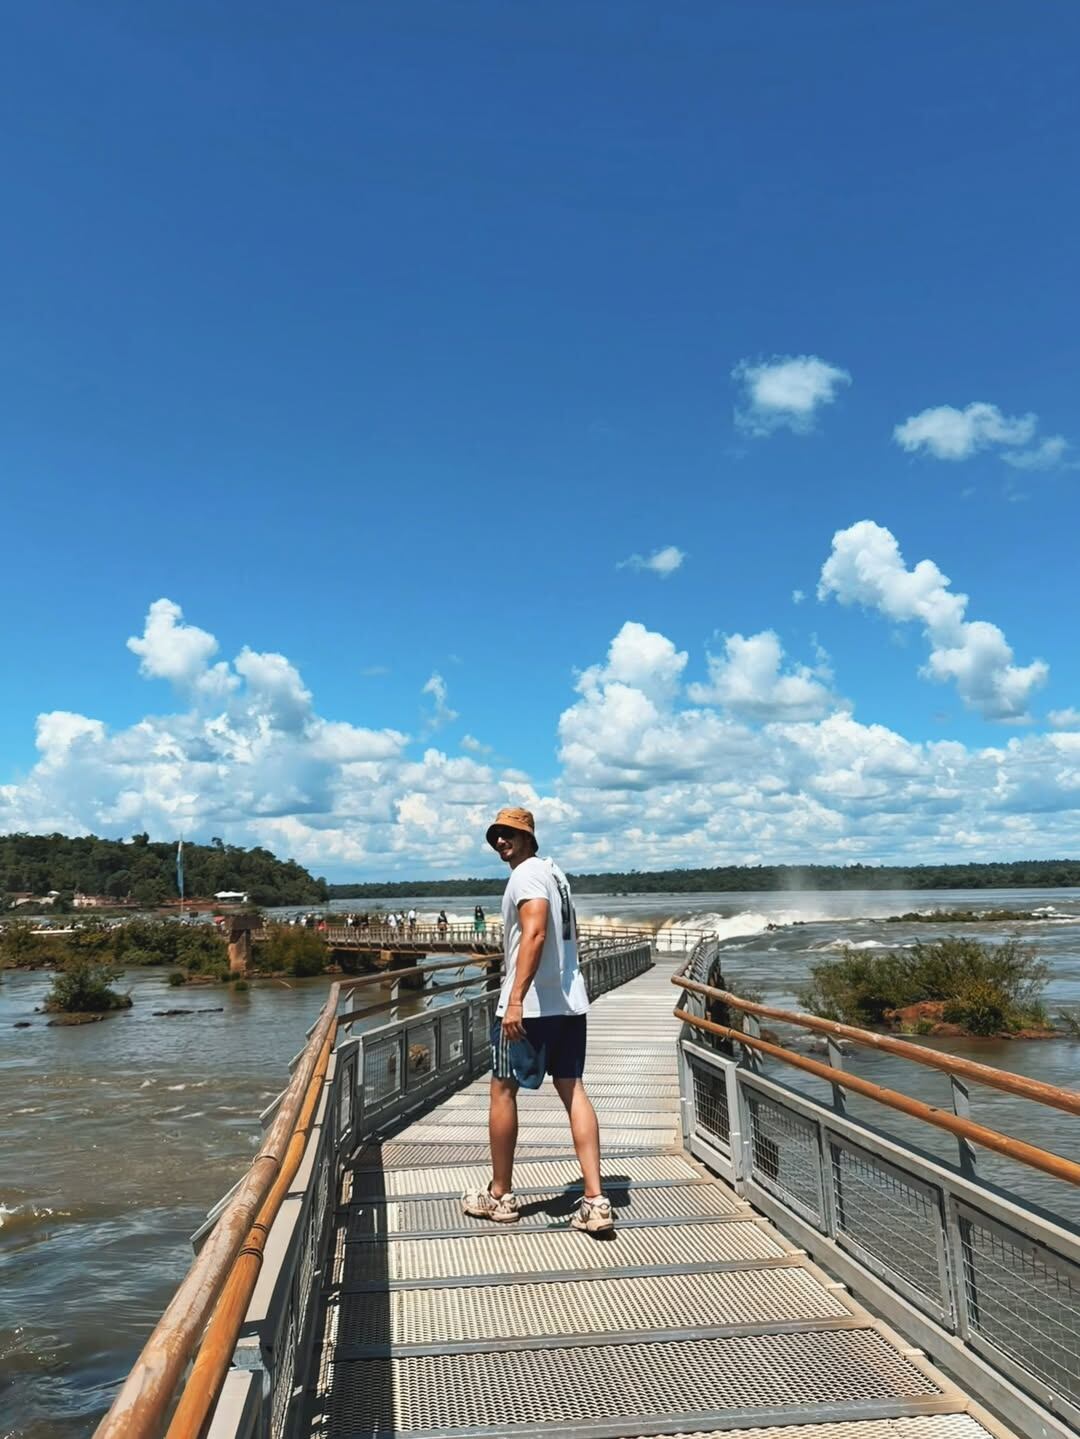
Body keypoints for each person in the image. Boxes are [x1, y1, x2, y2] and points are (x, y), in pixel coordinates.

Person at [462, 807, 613, 1234]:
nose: (501, 842)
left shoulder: (526, 875)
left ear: (530, 837)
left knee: (502, 1092)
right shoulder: (556, 875)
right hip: (568, 1004)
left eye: (510, 834)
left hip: (530, 1010)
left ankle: (500, 1197)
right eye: (496, 835)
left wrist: (514, 1000)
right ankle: (596, 1200)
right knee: (573, 1090)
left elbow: (536, 933)